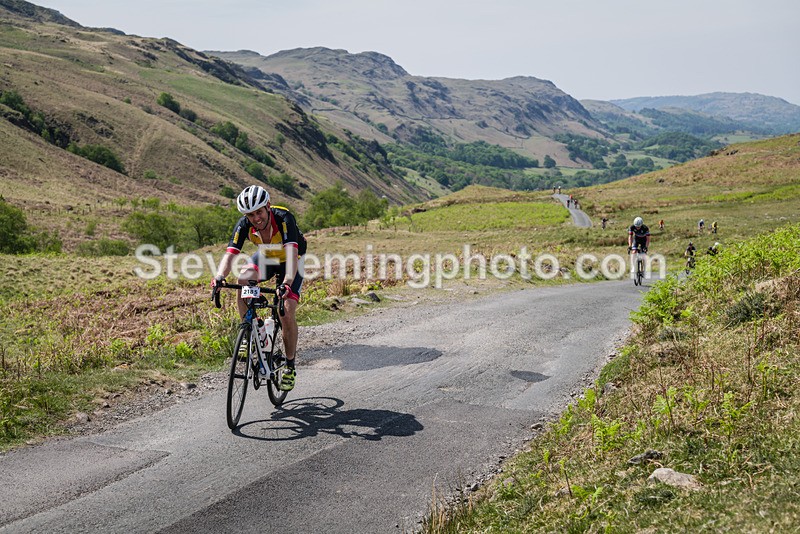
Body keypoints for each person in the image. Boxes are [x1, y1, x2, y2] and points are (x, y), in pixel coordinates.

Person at [211, 185, 307, 391]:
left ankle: (289, 365)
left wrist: (286, 283)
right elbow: (230, 255)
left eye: (259, 212)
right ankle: (248, 329)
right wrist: (219, 276)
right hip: (268, 256)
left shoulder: (284, 219)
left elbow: (291, 256)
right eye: (251, 215)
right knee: (243, 279)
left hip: (292, 260)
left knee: (287, 312)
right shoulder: (244, 224)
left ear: (268, 207)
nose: (256, 218)